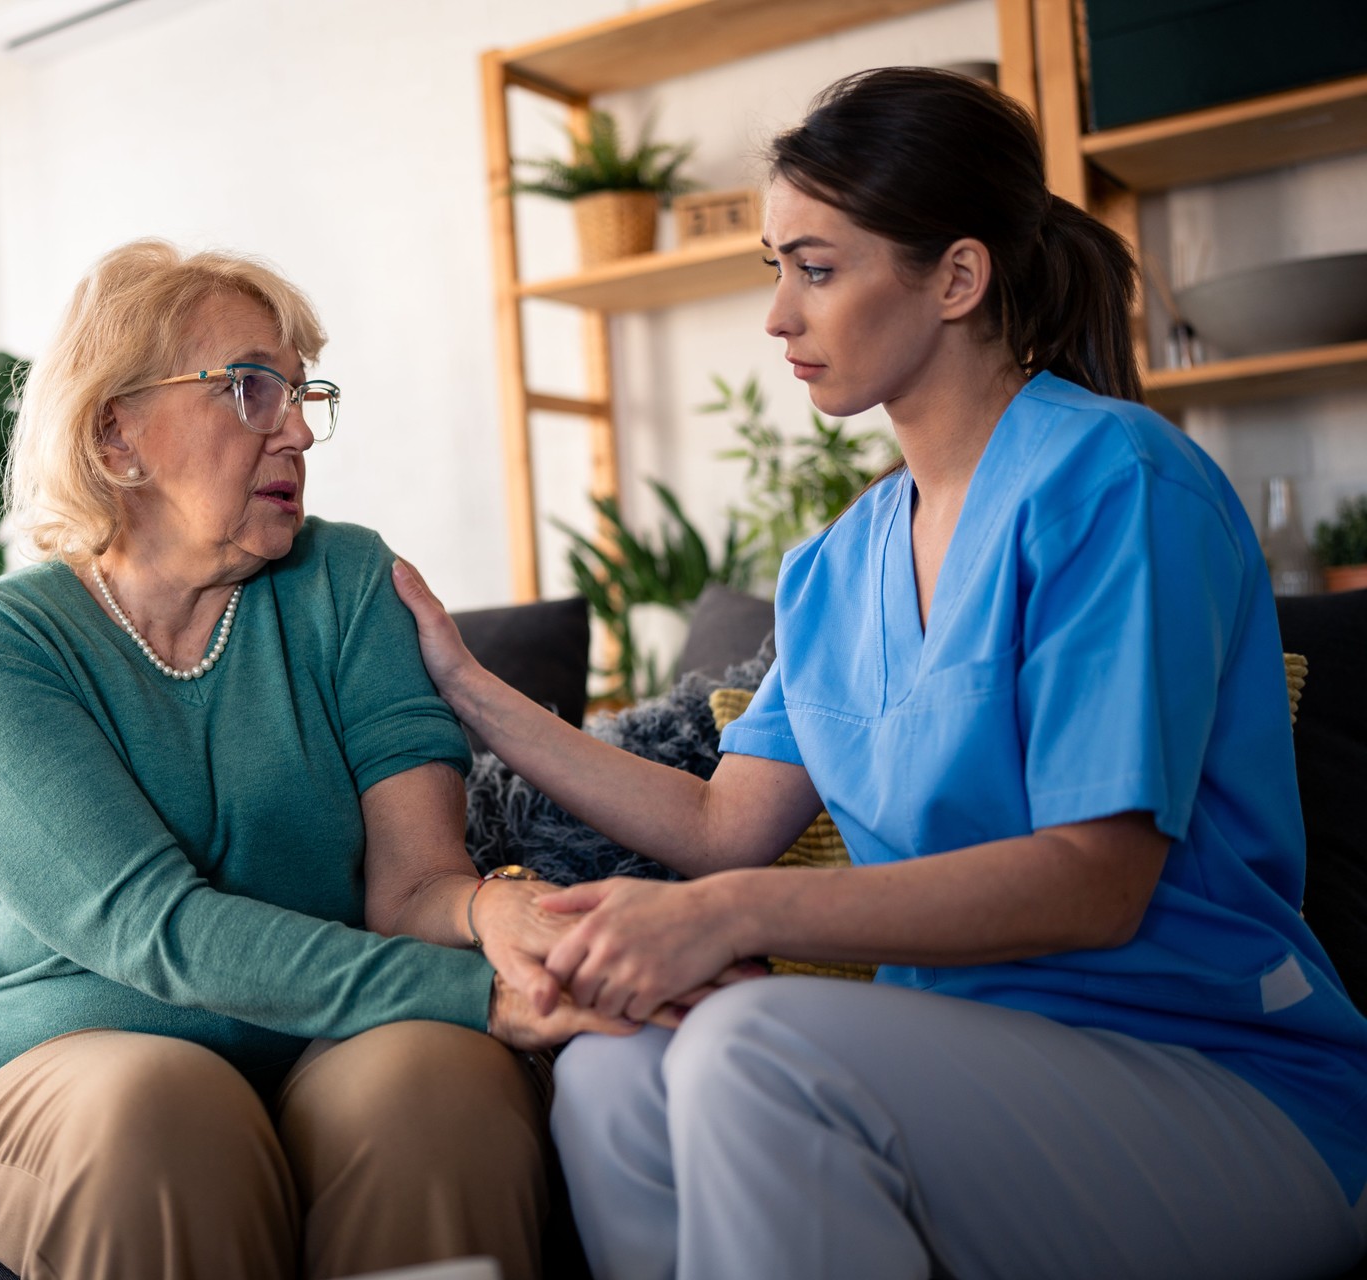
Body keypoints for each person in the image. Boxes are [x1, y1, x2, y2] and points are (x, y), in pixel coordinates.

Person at [391, 68, 1367, 1280]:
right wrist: (469, 686)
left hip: (1223, 1085)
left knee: (751, 1046)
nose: (777, 316)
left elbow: (1094, 881)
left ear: (957, 277)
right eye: (773, 268)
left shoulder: (1117, 483)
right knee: (612, 1076)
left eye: (816, 265)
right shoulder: (837, 564)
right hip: (970, 1059)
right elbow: (718, 825)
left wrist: (729, 917)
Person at [0, 240, 621, 1280]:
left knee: (442, 1083)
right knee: (162, 1113)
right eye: (251, 387)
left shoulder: (348, 579)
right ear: (117, 433)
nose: (297, 428)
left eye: (302, 392)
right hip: (77, 1057)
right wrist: (474, 990)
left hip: (339, 1040)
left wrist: (501, 920)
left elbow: (419, 883)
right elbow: (149, 924)